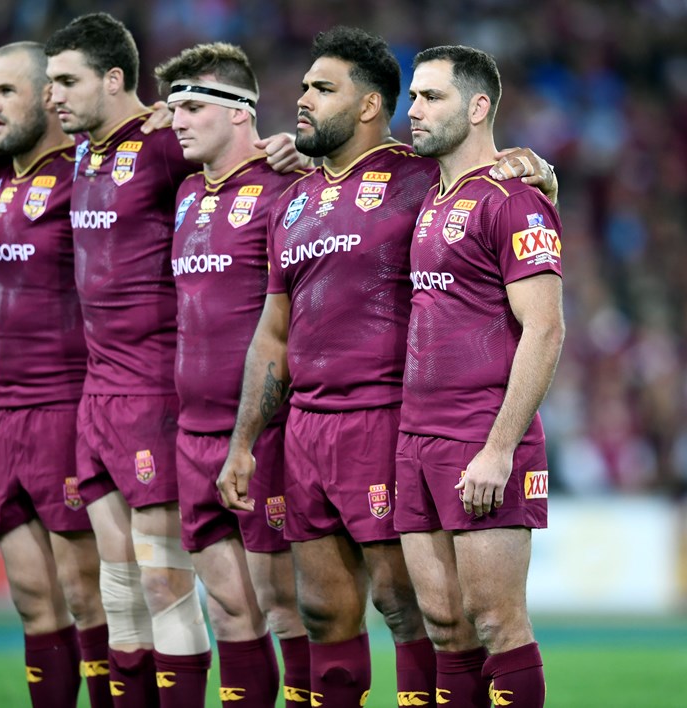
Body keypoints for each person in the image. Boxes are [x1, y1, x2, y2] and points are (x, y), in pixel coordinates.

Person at [217, 27, 557, 707]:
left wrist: (540, 171)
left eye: (322, 88)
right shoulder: (305, 199)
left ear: (369, 104)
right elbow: (272, 332)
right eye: (304, 86)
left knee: (456, 618)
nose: (303, 99)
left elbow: (540, 311)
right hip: (347, 433)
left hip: (415, 422)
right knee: (380, 618)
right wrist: (245, 440)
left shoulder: (425, 178)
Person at [44, 14, 213, 707]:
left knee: (162, 582)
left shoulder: (166, 141)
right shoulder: (83, 152)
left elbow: (244, 164)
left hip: (154, 390)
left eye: (66, 80)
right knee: (117, 590)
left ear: (114, 79)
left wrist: (285, 151)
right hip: (97, 394)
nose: (52, 95)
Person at [396, 45, 564, 708]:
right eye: (412, 96)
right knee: (444, 627)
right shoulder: (429, 195)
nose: (414, 109)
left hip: (480, 436)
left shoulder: (513, 200)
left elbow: (545, 330)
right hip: (416, 438)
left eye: (431, 96)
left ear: (477, 107)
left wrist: (499, 449)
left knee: (496, 622)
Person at [155, 42, 311, 707]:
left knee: (289, 611)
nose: (178, 121)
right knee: (227, 614)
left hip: (265, 435)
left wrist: (308, 159)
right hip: (192, 434)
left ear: (241, 111)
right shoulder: (187, 192)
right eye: (174, 109)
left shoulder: (286, 189)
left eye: (193, 107)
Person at [0, 41, 112, 708]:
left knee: (90, 596)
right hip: (6, 414)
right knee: (33, 600)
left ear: (51, 97)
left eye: (6, 91)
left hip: (69, 404)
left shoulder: (86, 174)